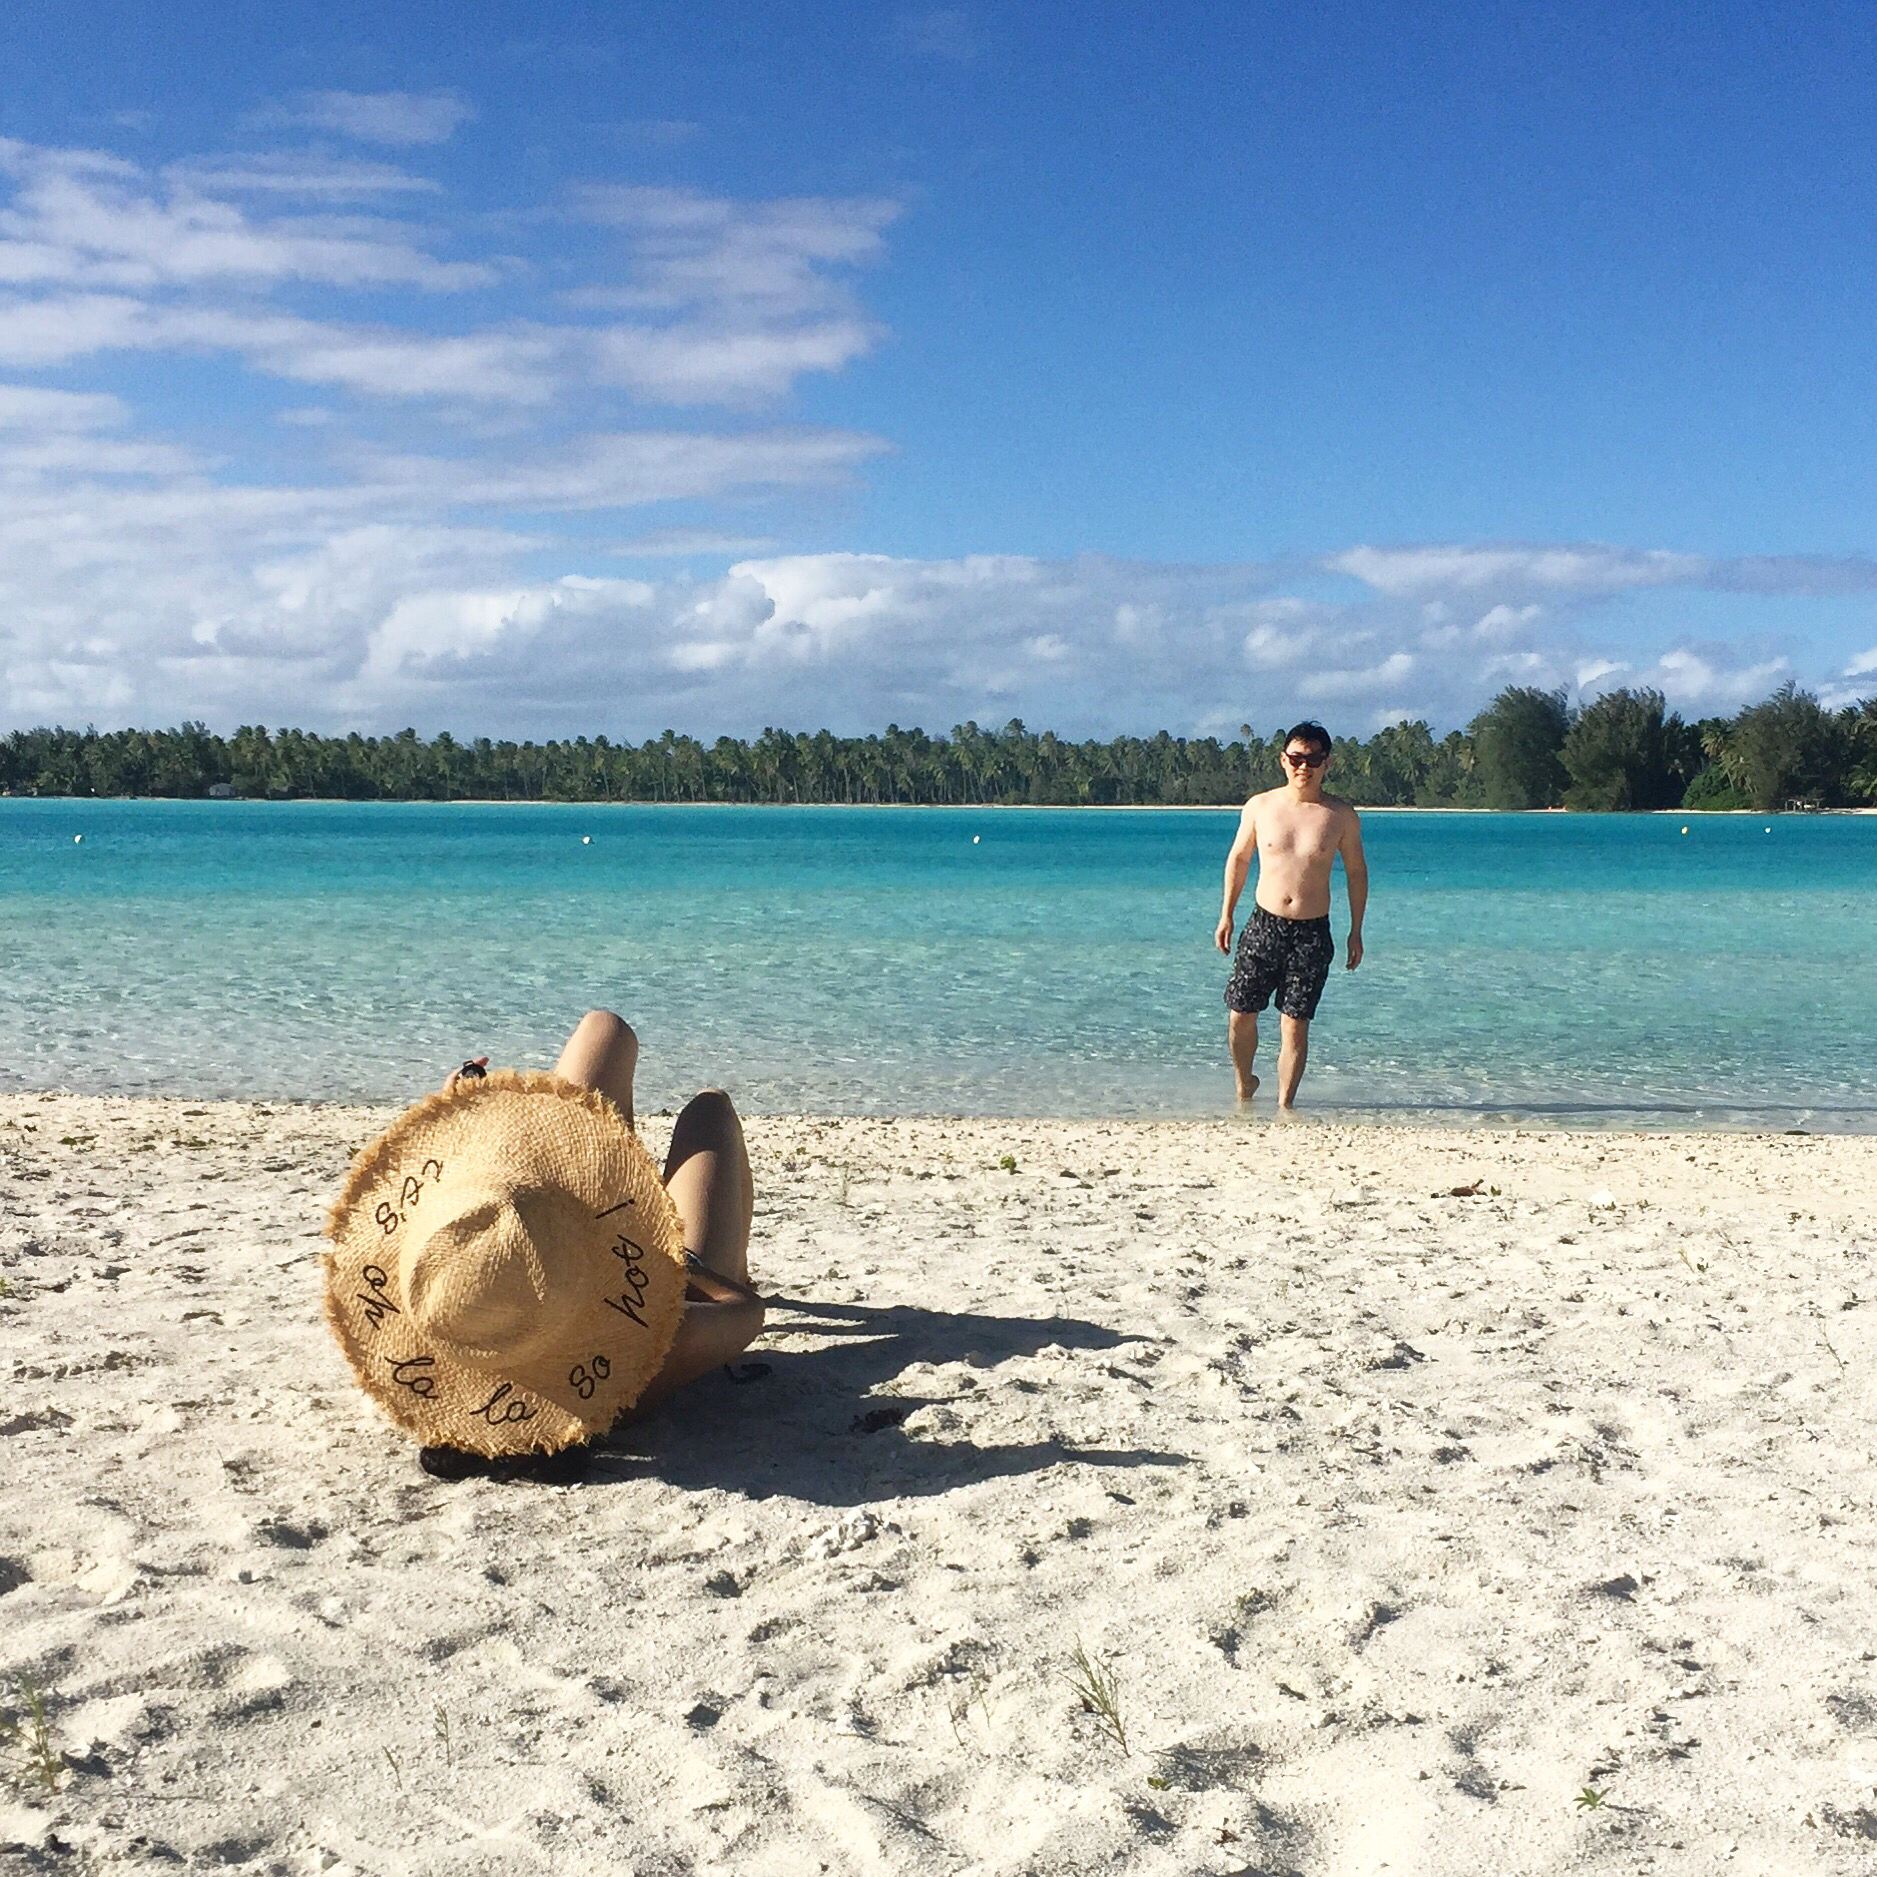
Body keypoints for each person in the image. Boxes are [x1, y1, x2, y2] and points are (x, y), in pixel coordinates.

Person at [323, 1009, 764, 1480]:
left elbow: (462, 1247)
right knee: (709, 1109)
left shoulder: (445, 1304)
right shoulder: (656, 1343)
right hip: (669, 1276)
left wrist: (461, 1107)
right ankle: (721, 1253)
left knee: (605, 1030)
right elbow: (744, 1309)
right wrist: (659, 1257)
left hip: (561, 1260)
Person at [1214, 721, 1367, 1108]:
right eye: (1297, 758)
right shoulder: (1260, 806)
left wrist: (1356, 931)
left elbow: (1355, 872)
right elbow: (1239, 858)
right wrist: (1226, 915)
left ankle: (1285, 1105)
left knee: (1295, 1026)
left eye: (1313, 759)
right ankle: (1244, 1082)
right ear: (1284, 760)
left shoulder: (1340, 814)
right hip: (1264, 924)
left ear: (1326, 763)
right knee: (1240, 1015)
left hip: (1312, 932)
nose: (1305, 767)